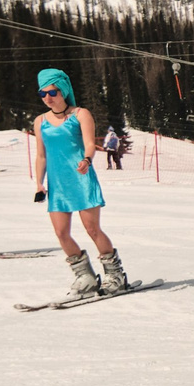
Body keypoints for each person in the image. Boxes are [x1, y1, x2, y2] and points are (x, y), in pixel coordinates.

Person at [33, 68, 128, 296]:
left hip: (81, 178)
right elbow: (41, 155)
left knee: (92, 229)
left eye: (52, 92)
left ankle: (115, 275)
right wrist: (39, 184)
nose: (48, 97)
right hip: (58, 185)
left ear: (63, 91)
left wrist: (87, 159)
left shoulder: (80, 114)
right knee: (61, 232)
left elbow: (88, 143)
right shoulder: (40, 121)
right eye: (42, 93)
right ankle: (84, 276)